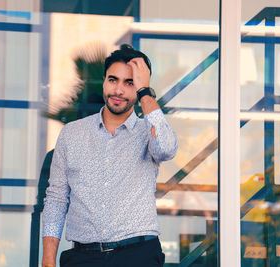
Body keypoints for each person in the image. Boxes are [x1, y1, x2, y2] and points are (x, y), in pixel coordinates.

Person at [42, 44, 178, 267]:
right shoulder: (72, 134)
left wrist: (145, 91)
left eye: (130, 83)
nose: (118, 91)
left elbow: (166, 148)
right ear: (104, 81)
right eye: (113, 80)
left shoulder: (149, 131)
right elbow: (56, 199)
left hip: (138, 256)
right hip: (83, 258)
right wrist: (48, 259)